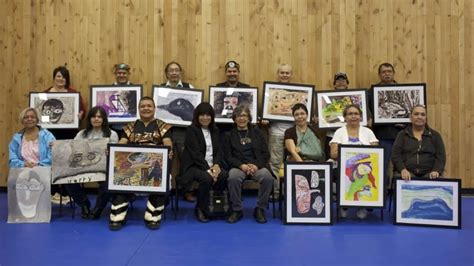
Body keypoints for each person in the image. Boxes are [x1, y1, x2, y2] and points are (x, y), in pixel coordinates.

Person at [108, 96, 173, 231]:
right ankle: (118, 216)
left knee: (161, 179)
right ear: (138, 109)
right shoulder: (130, 126)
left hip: (154, 165)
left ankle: (152, 216)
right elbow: (121, 144)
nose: (146, 108)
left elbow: (167, 143)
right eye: (143, 106)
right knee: (119, 176)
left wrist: (169, 150)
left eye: (149, 106)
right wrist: (113, 151)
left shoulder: (162, 126)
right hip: (133, 165)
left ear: (154, 109)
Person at [64, 106, 119, 219]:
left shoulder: (112, 134)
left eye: (99, 116)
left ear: (104, 119)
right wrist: (55, 147)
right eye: (93, 116)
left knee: (109, 180)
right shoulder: (82, 134)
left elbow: (116, 155)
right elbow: (72, 148)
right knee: (66, 179)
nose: (96, 119)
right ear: (89, 119)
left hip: (104, 168)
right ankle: (84, 204)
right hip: (83, 168)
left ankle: (98, 208)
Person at [224, 105, 273, 224]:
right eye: (239, 116)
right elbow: (227, 156)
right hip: (238, 166)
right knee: (233, 178)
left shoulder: (258, 133)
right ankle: (237, 209)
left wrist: (256, 165)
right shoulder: (228, 135)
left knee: (268, 177)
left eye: (244, 115)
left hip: (257, 166)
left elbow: (265, 154)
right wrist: (241, 165)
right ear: (234, 118)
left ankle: (260, 208)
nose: (242, 118)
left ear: (249, 118)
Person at [180, 103, 228, 222]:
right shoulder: (191, 130)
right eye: (202, 115)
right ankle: (200, 208)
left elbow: (219, 151)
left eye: (208, 115)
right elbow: (195, 155)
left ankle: (215, 205)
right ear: (197, 116)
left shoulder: (216, 130)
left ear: (212, 117)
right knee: (207, 178)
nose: (205, 118)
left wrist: (216, 165)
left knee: (224, 175)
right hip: (194, 166)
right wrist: (209, 170)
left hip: (212, 165)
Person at [330, 104, 379, 219]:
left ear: (360, 117)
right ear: (345, 117)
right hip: (343, 166)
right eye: (350, 114)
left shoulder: (368, 132)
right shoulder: (339, 132)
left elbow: (376, 153)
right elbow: (333, 154)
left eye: (356, 114)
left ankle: (362, 205)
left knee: (366, 175)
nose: (353, 116)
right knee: (341, 174)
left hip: (364, 167)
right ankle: (344, 205)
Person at [160, 61, 196, 202]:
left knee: (186, 160)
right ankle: (162, 190)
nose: (174, 73)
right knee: (163, 159)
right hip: (165, 129)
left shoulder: (189, 88)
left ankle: (187, 190)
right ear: (167, 73)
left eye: (176, 70)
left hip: (184, 130)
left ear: (180, 72)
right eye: (171, 70)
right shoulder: (160, 90)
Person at [368, 62, 403, 188]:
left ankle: (398, 191)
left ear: (393, 73)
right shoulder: (371, 91)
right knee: (381, 165)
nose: (387, 74)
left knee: (401, 165)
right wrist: (370, 118)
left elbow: (411, 112)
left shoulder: (403, 91)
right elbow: (367, 110)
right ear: (379, 75)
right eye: (384, 72)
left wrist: (405, 121)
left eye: (389, 71)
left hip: (401, 134)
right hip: (381, 134)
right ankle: (382, 192)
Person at [391, 105, 446, 180]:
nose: (419, 117)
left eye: (423, 114)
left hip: (429, 174)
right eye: (416, 114)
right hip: (406, 173)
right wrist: (402, 169)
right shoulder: (402, 135)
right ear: (411, 117)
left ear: (426, 118)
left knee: (438, 178)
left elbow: (441, 156)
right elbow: (395, 155)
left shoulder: (435, 136)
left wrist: (436, 170)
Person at [265, 64, 294, 197]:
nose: (284, 75)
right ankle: (276, 192)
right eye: (282, 72)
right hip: (276, 133)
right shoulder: (271, 92)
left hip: (294, 134)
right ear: (278, 74)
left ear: (291, 75)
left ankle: (290, 192)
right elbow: (264, 112)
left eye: (287, 73)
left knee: (293, 161)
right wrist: (264, 119)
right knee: (275, 163)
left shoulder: (298, 92)